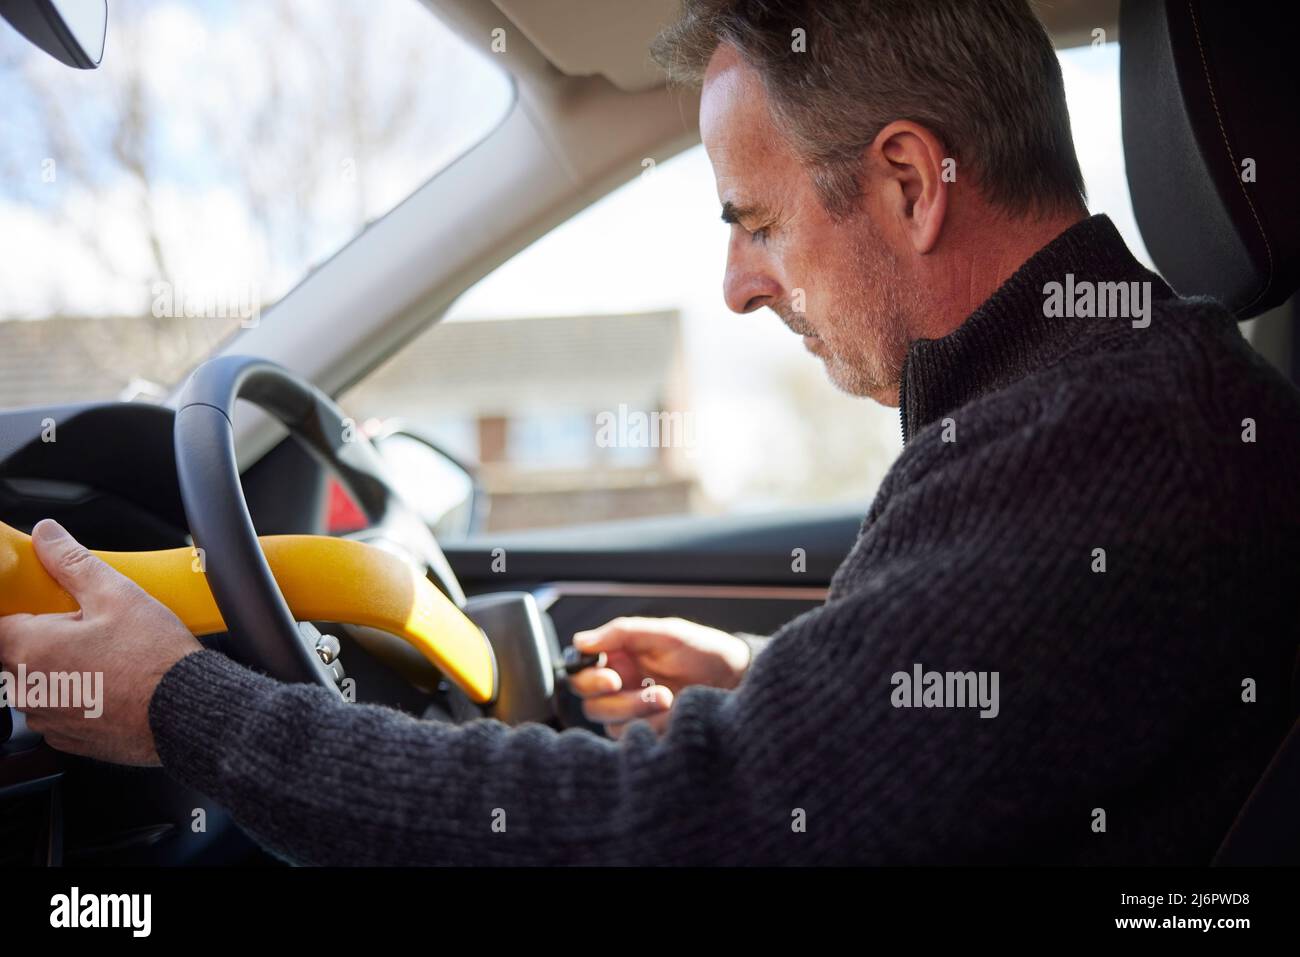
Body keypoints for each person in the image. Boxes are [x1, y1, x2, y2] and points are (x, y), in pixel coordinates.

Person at [2, 0, 1298, 865]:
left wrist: (179, 705)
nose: (738, 284)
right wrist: (781, 688)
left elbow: (674, 831)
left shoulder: (1102, 442)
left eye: (757, 219)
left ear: (909, 184)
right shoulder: (1108, 403)